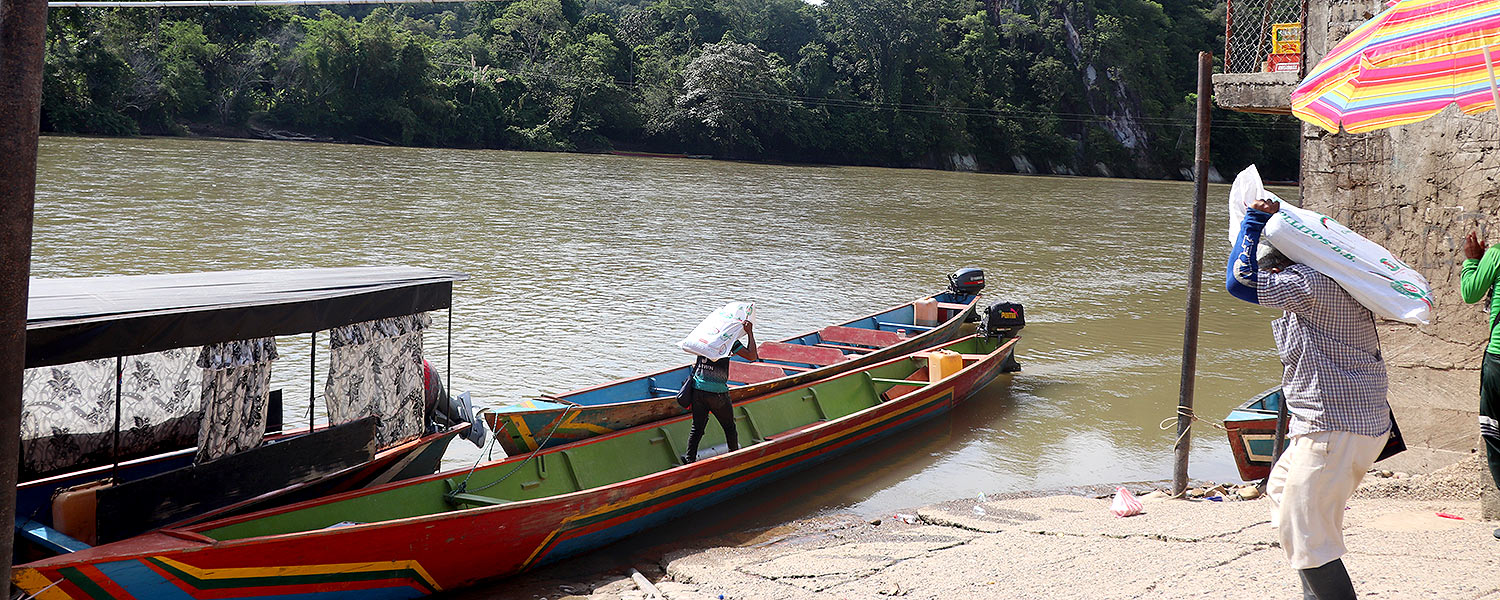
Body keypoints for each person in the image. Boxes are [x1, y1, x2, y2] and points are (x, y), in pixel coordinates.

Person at [1226, 196, 1392, 600]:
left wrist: (1252, 222)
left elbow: (1239, 281)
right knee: (1284, 499)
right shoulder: (1336, 279)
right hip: (1340, 425)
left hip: (1334, 429)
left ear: (1283, 266)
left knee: (1309, 538)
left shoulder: (1311, 284)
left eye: (1274, 271)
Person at [1458, 230, 1500, 540]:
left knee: (1494, 434)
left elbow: (1471, 293)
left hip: (1499, 359)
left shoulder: (1497, 254)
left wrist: (1473, 262)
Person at [680, 320, 759, 464]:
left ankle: (689, 460)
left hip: (698, 390)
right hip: (717, 394)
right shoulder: (730, 341)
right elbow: (752, 356)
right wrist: (750, 333)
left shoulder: (703, 338)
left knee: (697, 428)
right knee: (729, 427)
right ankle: (734, 459)